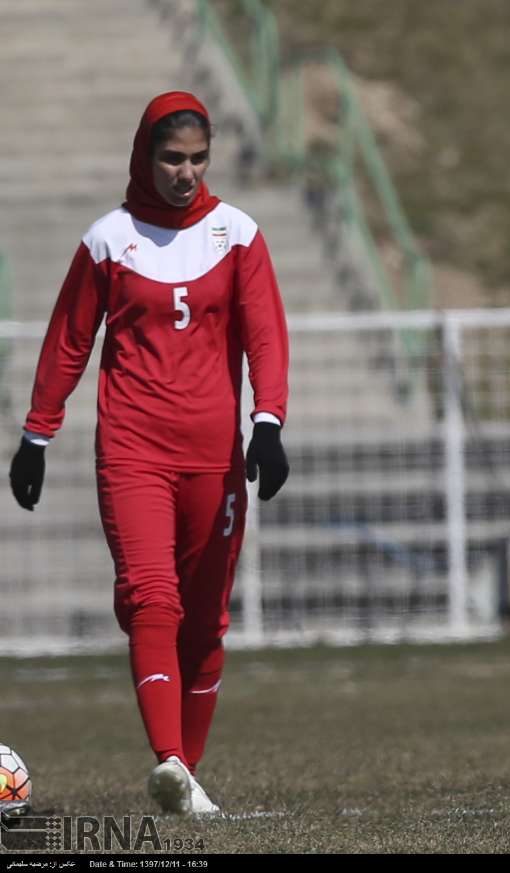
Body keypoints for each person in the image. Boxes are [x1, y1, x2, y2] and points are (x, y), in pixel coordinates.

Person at [7, 92, 291, 815]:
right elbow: (69, 340)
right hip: (133, 451)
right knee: (150, 599)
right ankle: (168, 756)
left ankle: (183, 775)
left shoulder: (238, 234)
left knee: (206, 620)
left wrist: (267, 423)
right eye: (172, 158)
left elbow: (266, 335)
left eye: (198, 158)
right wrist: (36, 434)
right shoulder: (109, 239)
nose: (186, 172)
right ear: (145, 156)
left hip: (214, 458)